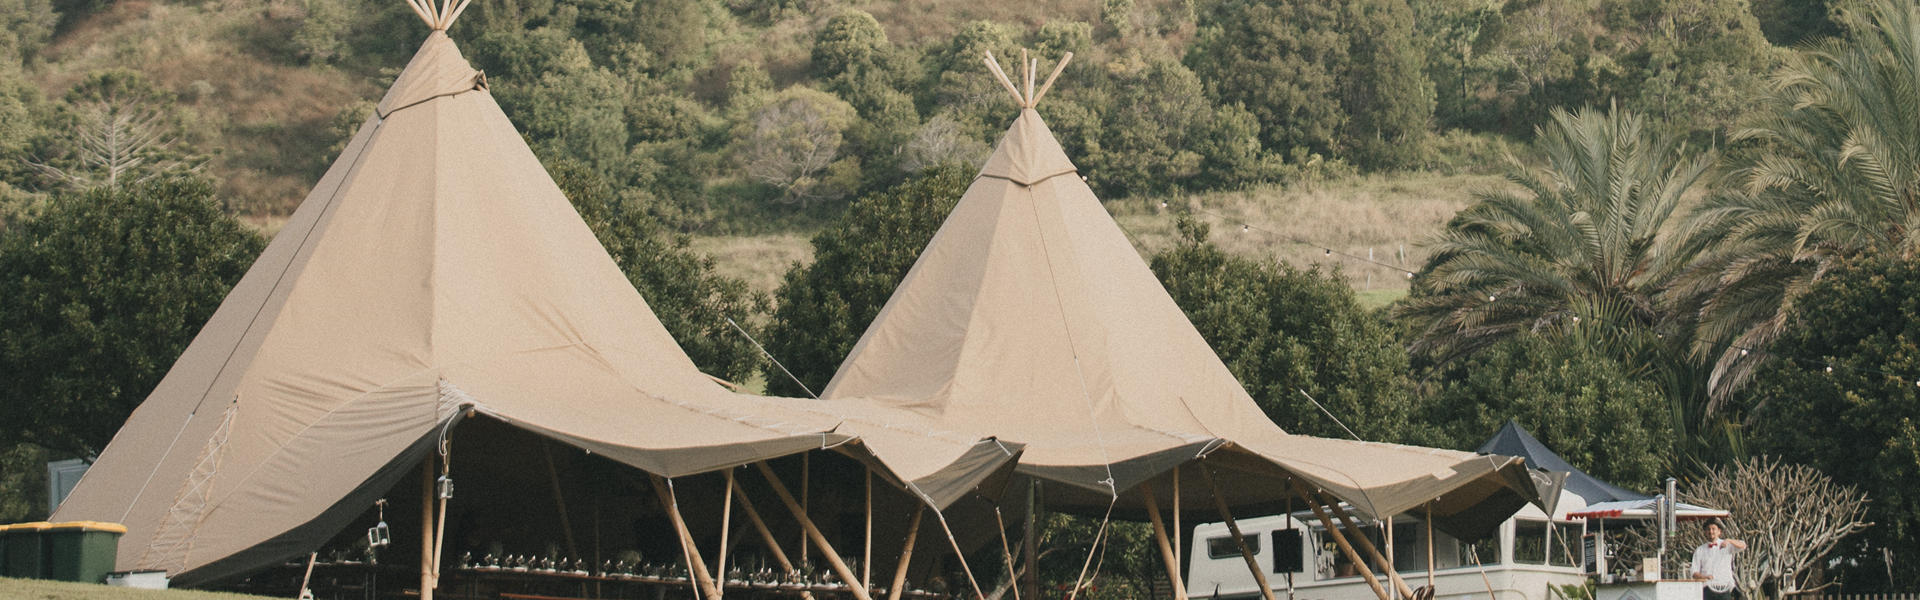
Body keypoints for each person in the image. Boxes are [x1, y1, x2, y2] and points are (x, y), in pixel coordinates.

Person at [1691, 520, 1747, 600]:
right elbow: (1694, 571)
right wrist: (1704, 576)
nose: (1711, 531)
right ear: (1705, 532)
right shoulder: (1700, 550)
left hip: (1725, 588)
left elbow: (1743, 545)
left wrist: (1730, 540)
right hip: (1707, 588)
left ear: (1719, 531)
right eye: (1708, 529)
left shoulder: (1728, 545)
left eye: (1713, 529)